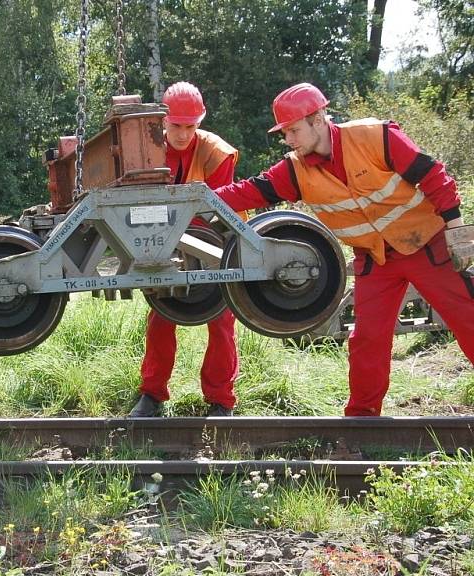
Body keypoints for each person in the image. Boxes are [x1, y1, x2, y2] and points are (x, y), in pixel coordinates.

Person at [213, 82, 474, 416]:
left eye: (293, 131)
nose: (289, 141)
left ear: (318, 119)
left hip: (427, 245)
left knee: (467, 318)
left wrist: (456, 227)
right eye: (285, 134)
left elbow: (432, 173)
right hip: (376, 260)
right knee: (367, 341)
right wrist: (199, 199)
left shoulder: (375, 136)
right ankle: (362, 422)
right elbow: (251, 191)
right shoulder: (296, 169)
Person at [130, 82, 245, 418]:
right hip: (165, 242)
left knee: (222, 320)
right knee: (160, 317)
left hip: (216, 241)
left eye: (190, 127)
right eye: (176, 126)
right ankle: (151, 395)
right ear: (163, 121)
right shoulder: (148, 150)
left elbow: (220, 209)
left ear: (200, 122)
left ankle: (221, 400)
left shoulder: (217, 152)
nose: (182, 134)